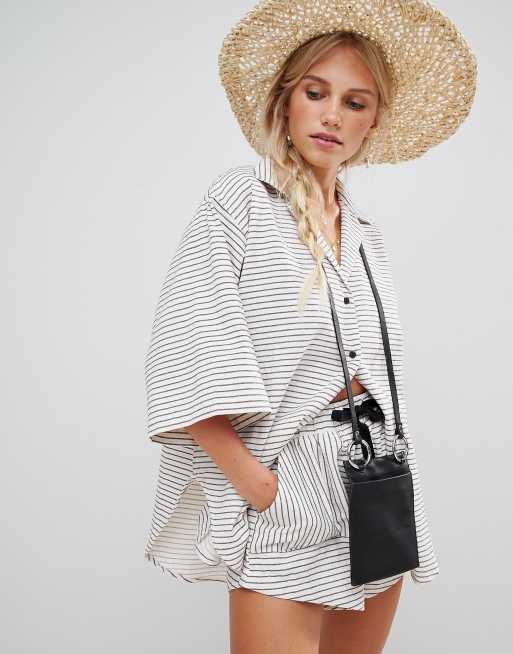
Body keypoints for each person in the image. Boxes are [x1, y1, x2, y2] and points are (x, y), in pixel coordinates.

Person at [143, 1, 477, 652]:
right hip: (285, 476)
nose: (331, 116)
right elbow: (185, 344)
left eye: (354, 102)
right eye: (315, 93)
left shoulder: (366, 235)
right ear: (285, 100)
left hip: (375, 477)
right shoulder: (240, 201)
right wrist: (252, 480)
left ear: (373, 121)